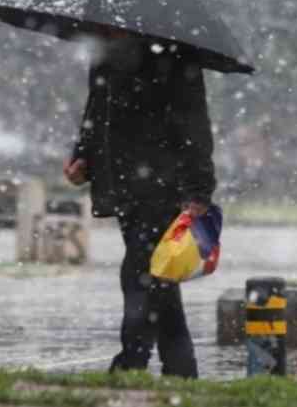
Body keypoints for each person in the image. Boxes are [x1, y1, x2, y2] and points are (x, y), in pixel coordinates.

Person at [63, 27, 216, 379]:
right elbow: (95, 109)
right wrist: (82, 156)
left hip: (163, 184)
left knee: (140, 275)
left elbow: (195, 127)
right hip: (121, 185)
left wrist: (198, 190)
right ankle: (181, 372)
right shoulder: (103, 53)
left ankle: (130, 364)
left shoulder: (175, 57)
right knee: (159, 279)